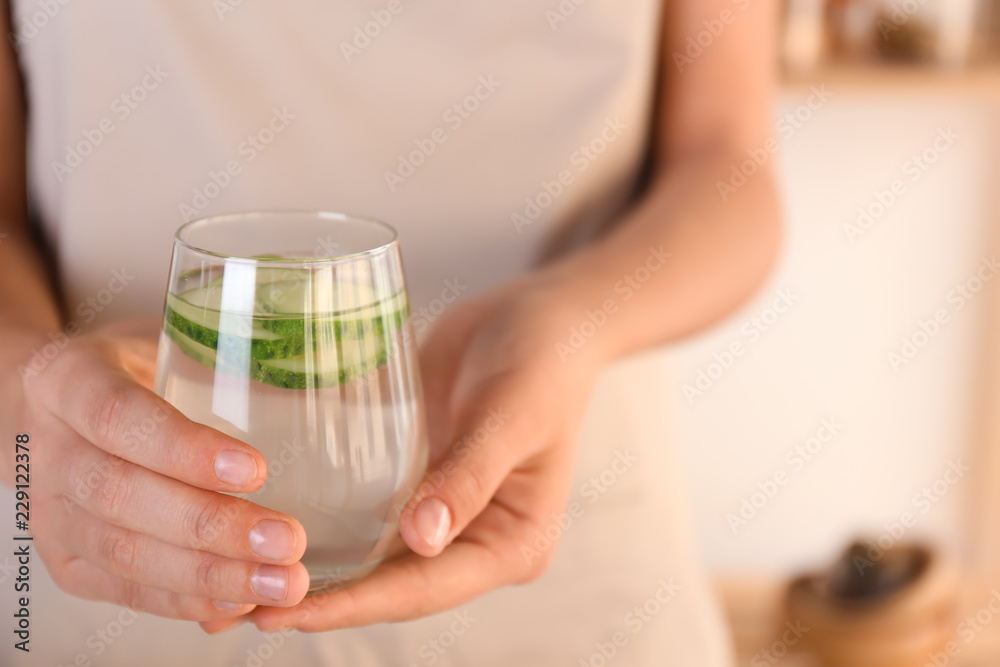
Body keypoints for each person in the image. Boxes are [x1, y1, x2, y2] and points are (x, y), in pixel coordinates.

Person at [0, 0, 782, 664]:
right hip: (109, 568)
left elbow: (728, 164)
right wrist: (24, 400)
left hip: (561, 574)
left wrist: (572, 321)